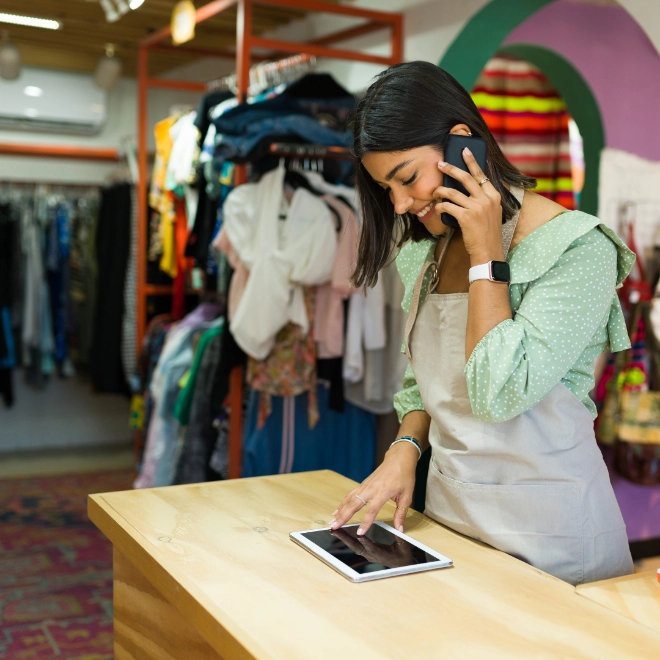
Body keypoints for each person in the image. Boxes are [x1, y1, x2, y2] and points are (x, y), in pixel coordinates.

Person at [330, 61, 634, 586]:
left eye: (406, 178)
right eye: (386, 189)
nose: (401, 203)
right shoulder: (423, 252)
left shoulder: (579, 248)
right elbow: (422, 388)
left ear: (461, 144)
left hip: (554, 543)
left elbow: (499, 392)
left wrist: (486, 253)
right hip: (452, 525)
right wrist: (405, 450)